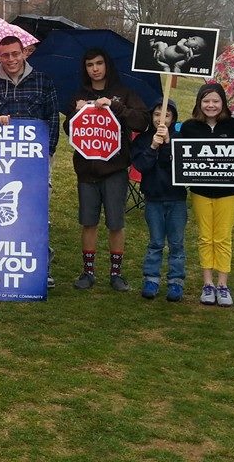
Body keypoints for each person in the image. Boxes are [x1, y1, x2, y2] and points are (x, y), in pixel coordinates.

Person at [0, 36, 59, 286]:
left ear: (24, 53)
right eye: (5, 55)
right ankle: (2, 262)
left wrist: (47, 154)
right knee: (3, 209)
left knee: (36, 212)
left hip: (35, 161)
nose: (11, 59)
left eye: (15, 54)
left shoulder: (43, 81)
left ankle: (41, 266)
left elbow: (53, 119)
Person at [64, 48, 147, 292]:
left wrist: (114, 106)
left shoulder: (124, 93)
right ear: (85, 69)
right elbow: (70, 131)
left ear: (107, 65)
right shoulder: (79, 95)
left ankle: (116, 273)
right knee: (88, 222)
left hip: (115, 169)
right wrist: (76, 113)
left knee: (115, 223)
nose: (95, 68)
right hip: (87, 170)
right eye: (90, 65)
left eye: (99, 63)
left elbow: (141, 121)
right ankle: (88, 271)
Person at [180, 83, 234, 307]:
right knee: (206, 237)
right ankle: (207, 283)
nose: (211, 105)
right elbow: (181, 157)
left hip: (229, 192)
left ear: (223, 104)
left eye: (216, 101)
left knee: (223, 237)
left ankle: (223, 284)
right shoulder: (189, 127)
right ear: (199, 103)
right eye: (206, 101)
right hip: (200, 192)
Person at [131, 99, 187, 302]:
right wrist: (154, 145)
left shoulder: (180, 138)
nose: (161, 119)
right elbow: (141, 166)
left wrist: (168, 144)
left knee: (176, 243)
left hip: (177, 198)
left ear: (173, 118)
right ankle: (151, 278)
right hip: (153, 198)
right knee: (155, 242)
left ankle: (176, 282)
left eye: (166, 115)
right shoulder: (143, 140)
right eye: (156, 114)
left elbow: (178, 166)